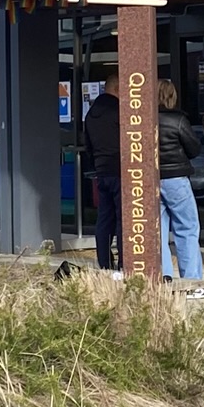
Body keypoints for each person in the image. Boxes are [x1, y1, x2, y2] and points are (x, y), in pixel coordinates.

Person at [157, 80, 204, 295]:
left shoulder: (144, 119)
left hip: (151, 179)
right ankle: (192, 283)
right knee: (187, 229)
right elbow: (193, 149)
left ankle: (164, 278)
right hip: (176, 179)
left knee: (158, 231)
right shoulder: (178, 119)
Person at [82, 77, 121, 272]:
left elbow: (88, 146)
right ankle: (125, 262)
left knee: (104, 219)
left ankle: (104, 262)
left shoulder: (91, 114)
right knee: (123, 218)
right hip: (120, 170)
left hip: (102, 170)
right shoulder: (119, 111)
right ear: (118, 88)